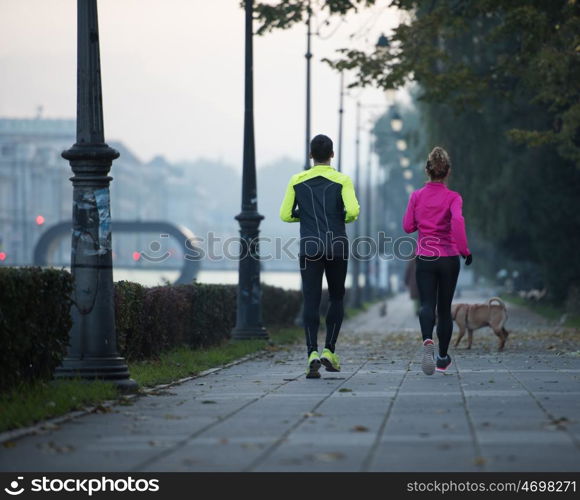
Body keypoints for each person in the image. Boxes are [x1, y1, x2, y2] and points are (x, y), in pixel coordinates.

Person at [280, 134, 360, 379]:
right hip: (336, 245)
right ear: (332, 155)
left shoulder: (297, 180)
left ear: (311, 156)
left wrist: (301, 217)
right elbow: (353, 211)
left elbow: (285, 215)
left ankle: (312, 354)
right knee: (337, 298)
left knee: (311, 300)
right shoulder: (342, 179)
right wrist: (341, 218)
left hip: (310, 247)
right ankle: (330, 350)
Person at [402, 146, 472, 375]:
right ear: (447, 172)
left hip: (425, 257)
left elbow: (407, 226)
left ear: (427, 170)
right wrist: (464, 250)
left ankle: (426, 342)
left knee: (426, 305)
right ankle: (442, 356)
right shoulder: (453, 197)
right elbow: (458, 222)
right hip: (449, 258)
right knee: (444, 309)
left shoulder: (417, 196)